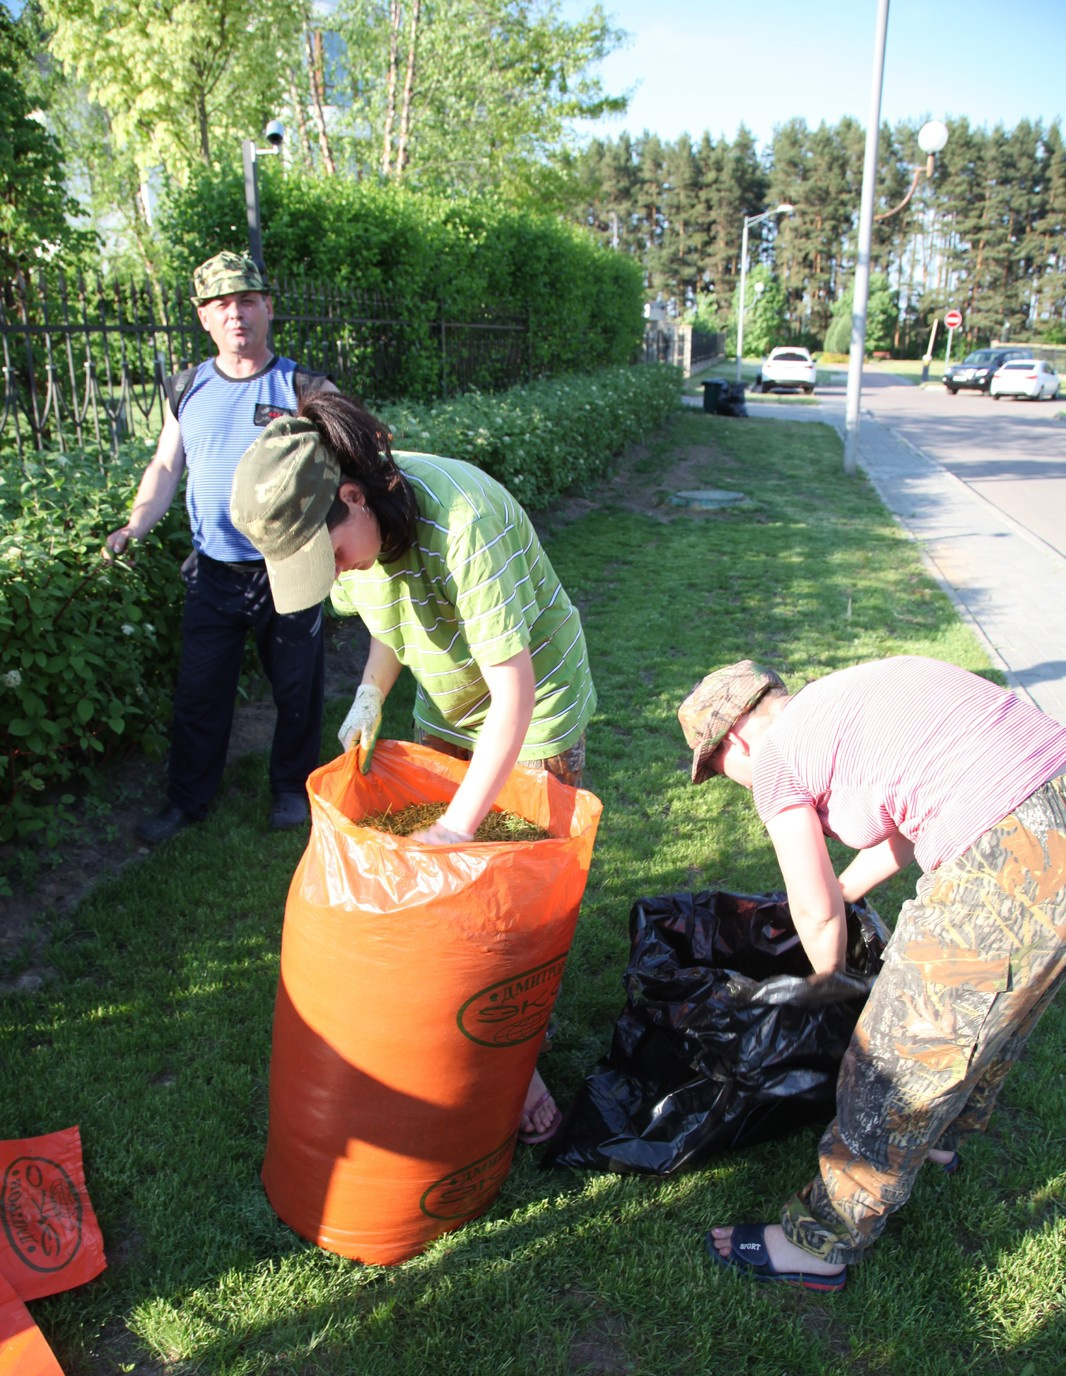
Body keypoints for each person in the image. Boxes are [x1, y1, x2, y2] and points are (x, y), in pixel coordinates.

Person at [229, 388, 597, 1143]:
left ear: (353, 498)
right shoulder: (360, 528)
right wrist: (370, 694)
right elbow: (388, 614)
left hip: (533, 710)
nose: (334, 575)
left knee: (509, 899)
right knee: (452, 905)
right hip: (449, 702)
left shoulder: (463, 523)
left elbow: (515, 694)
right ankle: (455, 1035)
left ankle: (516, 1053)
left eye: (330, 557)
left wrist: (457, 828)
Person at [677, 655, 1066, 1292]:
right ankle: (940, 1137)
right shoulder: (842, 699)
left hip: (1007, 850)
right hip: (1053, 797)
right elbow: (903, 830)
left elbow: (813, 909)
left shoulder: (775, 756)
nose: (738, 783)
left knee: (892, 1056)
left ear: (736, 739)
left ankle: (819, 1241)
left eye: (722, 771)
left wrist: (825, 980)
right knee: (998, 1003)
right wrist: (846, 893)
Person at [105, 251, 335, 843]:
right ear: (203, 316)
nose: (237, 314)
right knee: (199, 694)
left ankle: (291, 789)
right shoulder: (187, 387)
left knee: (297, 689)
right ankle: (187, 801)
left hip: (287, 568)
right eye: (222, 304)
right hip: (213, 573)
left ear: (268, 309)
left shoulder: (304, 386)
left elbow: (352, 458)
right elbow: (166, 465)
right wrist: (135, 525)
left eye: (247, 301)